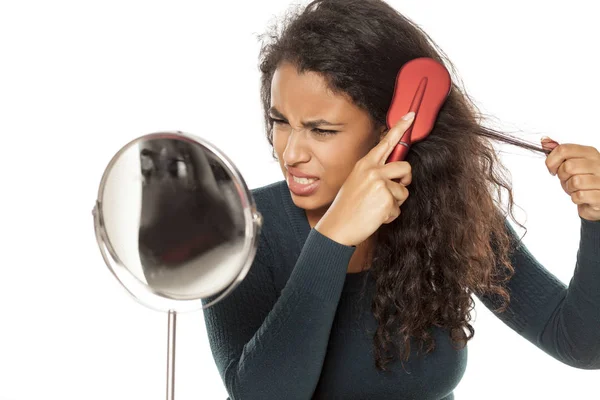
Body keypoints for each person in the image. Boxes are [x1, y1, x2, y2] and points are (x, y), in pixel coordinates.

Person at [201, 0, 600, 398]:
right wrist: (333, 236)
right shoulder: (235, 230)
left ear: (390, 127)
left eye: (321, 130)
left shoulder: (446, 211)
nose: (290, 154)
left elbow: (579, 344)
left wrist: (597, 217)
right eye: (280, 122)